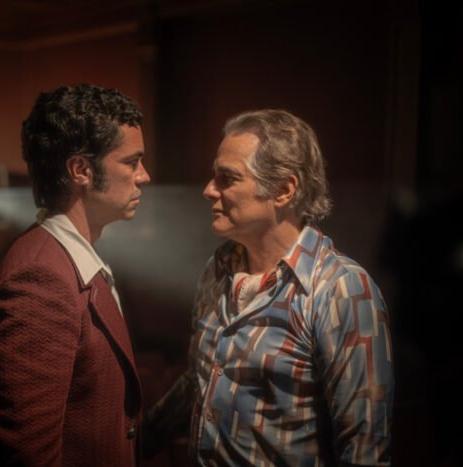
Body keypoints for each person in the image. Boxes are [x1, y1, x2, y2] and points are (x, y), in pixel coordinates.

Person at [142, 109, 394, 466]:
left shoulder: (341, 289)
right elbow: (201, 379)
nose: (209, 190)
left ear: (284, 190)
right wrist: (137, 442)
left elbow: (364, 446)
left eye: (227, 178)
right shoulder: (217, 270)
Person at [0, 83, 151, 466]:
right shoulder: (39, 279)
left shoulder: (68, 258)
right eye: (131, 162)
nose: (144, 176)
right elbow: (28, 455)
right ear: (81, 170)